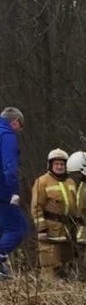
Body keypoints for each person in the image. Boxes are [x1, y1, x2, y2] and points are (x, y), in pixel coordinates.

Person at [31, 149, 79, 280]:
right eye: (56, 164)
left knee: (68, 267)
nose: (59, 167)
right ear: (50, 165)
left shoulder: (71, 182)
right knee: (50, 267)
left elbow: (76, 205)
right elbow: (36, 207)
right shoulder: (42, 182)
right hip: (50, 232)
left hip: (68, 232)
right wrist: (41, 228)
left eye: (62, 164)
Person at [0, 107, 26, 279]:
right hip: (2, 191)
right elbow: (9, 167)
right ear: (15, 122)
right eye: (20, 126)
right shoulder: (7, 136)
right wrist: (13, 192)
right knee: (19, 227)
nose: (19, 130)